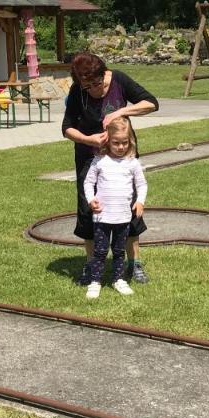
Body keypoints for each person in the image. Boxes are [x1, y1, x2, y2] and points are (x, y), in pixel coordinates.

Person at [61, 52, 158, 284]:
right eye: (88, 86)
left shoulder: (119, 80)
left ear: (104, 74)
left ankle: (134, 264)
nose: (94, 90)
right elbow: (67, 128)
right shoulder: (78, 92)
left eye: (97, 83)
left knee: (130, 207)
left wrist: (120, 111)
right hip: (89, 159)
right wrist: (88, 140)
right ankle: (91, 264)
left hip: (123, 158)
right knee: (88, 211)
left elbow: (151, 103)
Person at [83, 118, 148, 299]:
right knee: (100, 251)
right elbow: (88, 183)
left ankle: (118, 279)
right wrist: (91, 200)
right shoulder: (100, 161)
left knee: (119, 251)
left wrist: (140, 201)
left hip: (123, 217)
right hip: (102, 217)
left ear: (130, 141)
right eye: (116, 143)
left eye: (124, 143)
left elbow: (142, 185)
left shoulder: (132, 162)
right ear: (108, 141)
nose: (120, 147)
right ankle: (95, 281)